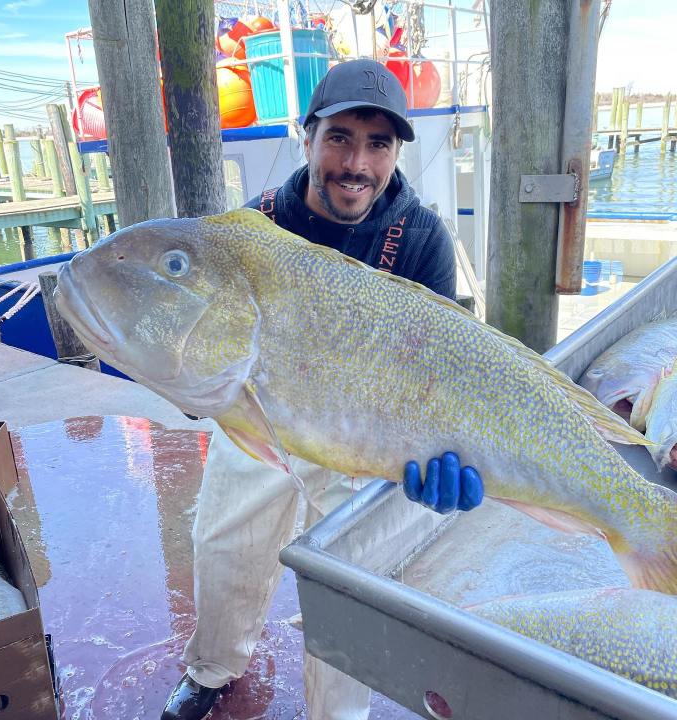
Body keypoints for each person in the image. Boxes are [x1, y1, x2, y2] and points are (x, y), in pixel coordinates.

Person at [161, 58, 484, 720]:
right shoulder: (255, 228)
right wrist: (184, 374)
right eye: (340, 137)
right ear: (307, 138)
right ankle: (213, 668)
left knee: (349, 582)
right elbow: (199, 338)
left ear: (396, 153)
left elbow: (437, 376)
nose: (356, 163)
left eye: (379, 143)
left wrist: (440, 456)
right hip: (263, 414)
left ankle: (338, 714)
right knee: (222, 544)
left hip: (366, 435)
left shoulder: (422, 240)